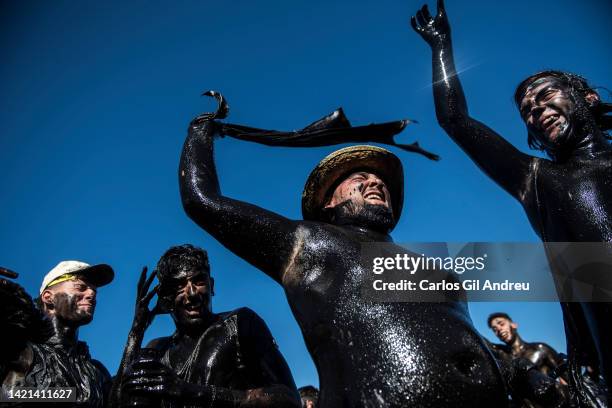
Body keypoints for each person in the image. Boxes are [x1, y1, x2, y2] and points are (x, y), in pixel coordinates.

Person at [179, 104, 512, 406]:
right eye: (360, 177)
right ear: (328, 202)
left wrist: (520, 371)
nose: (376, 183)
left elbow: (450, 332)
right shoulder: (309, 243)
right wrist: (200, 132)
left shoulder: (427, 267)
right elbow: (202, 201)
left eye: (381, 180)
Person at [411, 0, 611, 401]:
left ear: (587, 98)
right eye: (526, 111)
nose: (535, 108)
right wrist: (440, 46)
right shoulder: (539, 180)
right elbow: (456, 121)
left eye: (545, 94)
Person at [122, 244, 300, 407]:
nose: (191, 293)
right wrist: (136, 332)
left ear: (211, 285)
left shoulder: (239, 324)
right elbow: (121, 402)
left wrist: (189, 391)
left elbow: (290, 398)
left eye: (199, 281)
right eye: (179, 286)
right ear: (165, 297)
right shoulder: (158, 349)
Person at [1, 260, 114, 407]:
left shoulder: (97, 372)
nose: (91, 293)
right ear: (49, 297)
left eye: (94, 291)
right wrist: (68, 395)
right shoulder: (19, 351)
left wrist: (135, 334)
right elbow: (6, 395)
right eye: (80, 287)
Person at [488, 313, 565, 378]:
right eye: (494, 329)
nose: (498, 329)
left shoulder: (540, 348)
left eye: (501, 324)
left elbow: (567, 377)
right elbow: (479, 342)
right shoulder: (501, 354)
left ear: (514, 325)